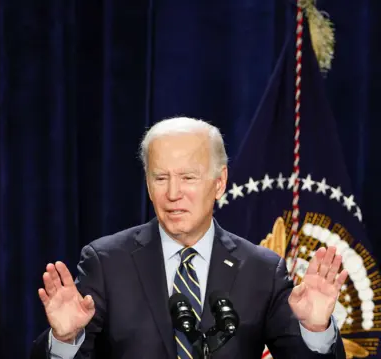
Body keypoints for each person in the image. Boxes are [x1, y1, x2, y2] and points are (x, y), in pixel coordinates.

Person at [29, 117, 347, 359]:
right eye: (161, 178)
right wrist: (65, 340)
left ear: (219, 182)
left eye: (188, 177)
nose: (173, 193)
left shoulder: (262, 270)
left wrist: (316, 330)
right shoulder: (106, 262)